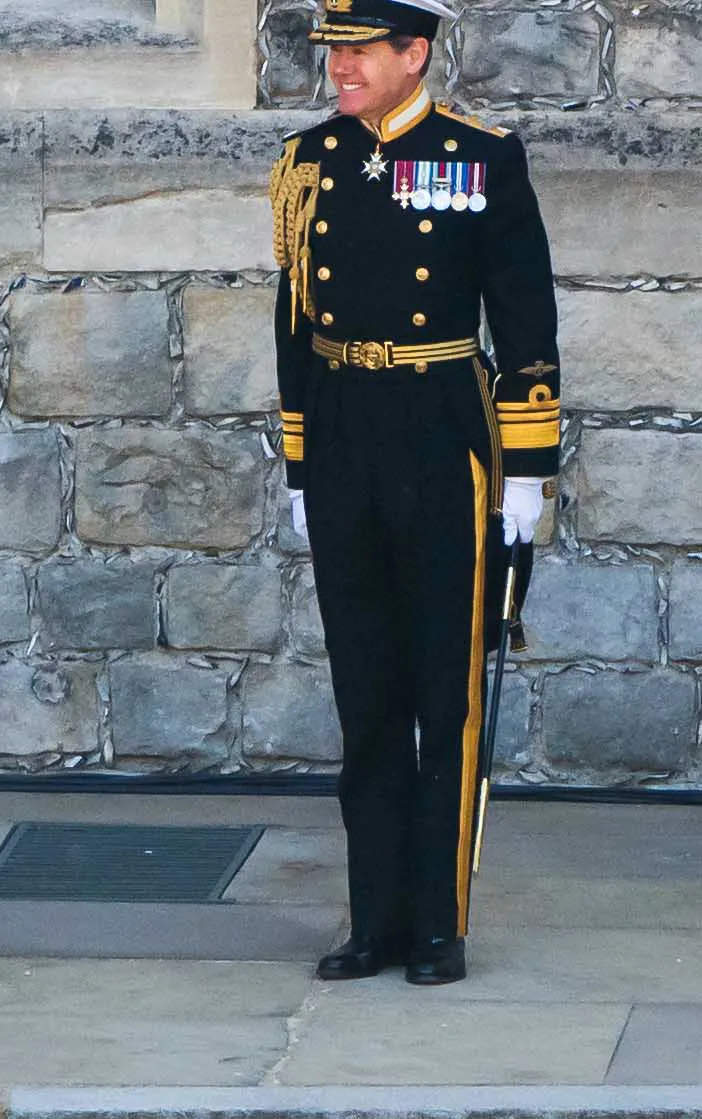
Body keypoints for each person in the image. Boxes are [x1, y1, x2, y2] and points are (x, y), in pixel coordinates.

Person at [270, 0, 559, 986]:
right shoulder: (308, 159)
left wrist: (525, 470)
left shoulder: (479, 155)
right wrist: (300, 463)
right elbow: (294, 321)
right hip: (346, 430)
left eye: (358, 52)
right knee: (366, 690)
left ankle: (437, 923)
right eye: (334, 53)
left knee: (445, 686)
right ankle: (374, 918)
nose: (340, 70)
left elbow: (523, 317)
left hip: (443, 437)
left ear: (413, 54)